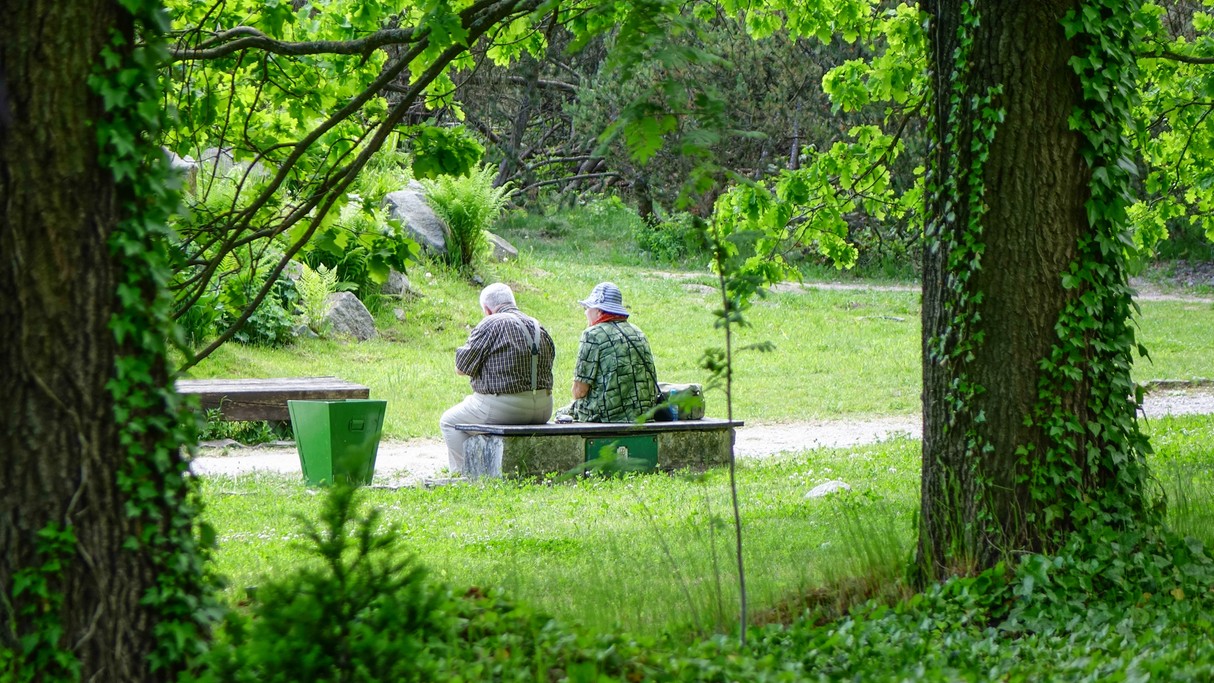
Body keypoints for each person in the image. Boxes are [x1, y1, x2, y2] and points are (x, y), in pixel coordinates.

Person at [440, 283, 555, 473]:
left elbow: (461, 368)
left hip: (505, 409)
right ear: (512, 301)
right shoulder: (537, 325)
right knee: (471, 406)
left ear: (487, 309)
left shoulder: (491, 323)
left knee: (449, 421)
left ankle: (463, 474)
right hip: (544, 408)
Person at [560, 282, 660, 423]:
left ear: (599, 311)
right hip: (643, 416)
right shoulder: (638, 333)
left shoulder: (593, 335)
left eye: (587, 308)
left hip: (605, 418)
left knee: (562, 414)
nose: (585, 312)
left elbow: (579, 391)